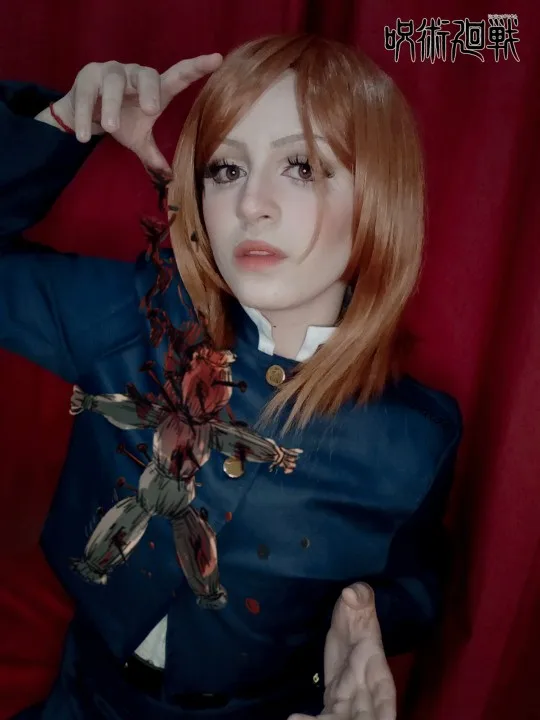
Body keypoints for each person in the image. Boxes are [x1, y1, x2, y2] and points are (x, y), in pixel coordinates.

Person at [0, 34, 462, 720]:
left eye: (302, 167)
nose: (251, 204)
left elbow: (414, 588)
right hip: (82, 698)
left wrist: (361, 618)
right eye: (225, 168)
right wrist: (61, 126)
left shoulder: (415, 438)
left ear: (378, 198)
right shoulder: (132, 318)